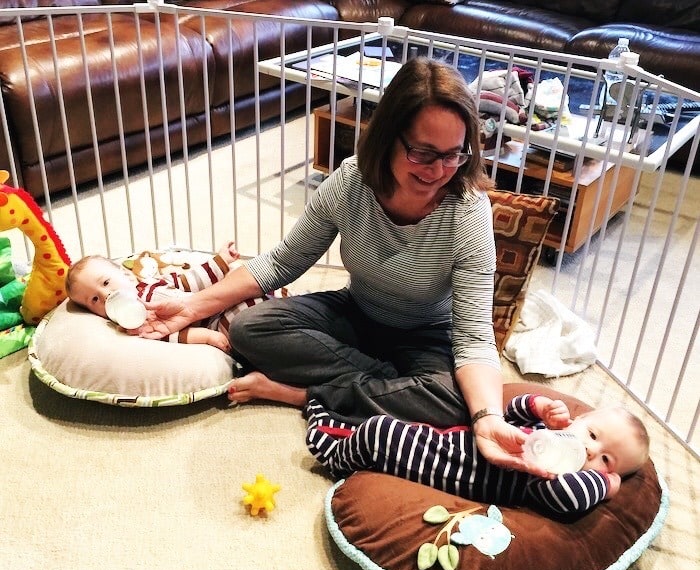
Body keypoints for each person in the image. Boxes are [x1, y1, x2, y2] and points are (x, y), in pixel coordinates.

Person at [136, 56, 541, 475]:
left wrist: (489, 418)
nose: (438, 170)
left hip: (426, 336)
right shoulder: (350, 183)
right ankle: (386, 392)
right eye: (422, 153)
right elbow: (281, 262)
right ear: (388, 138)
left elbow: (475, 337)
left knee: (455, 401)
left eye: (454, 154)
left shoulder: (467, 213)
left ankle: (302, 394)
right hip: (358, 314)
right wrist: (193, 306)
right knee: (250, 328)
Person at [305, 394, 650, 516]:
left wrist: (605, 485)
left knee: (379, 432)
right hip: (447, 440)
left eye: (605, 460)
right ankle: (332, 424)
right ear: (577, 421)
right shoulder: (550, 435)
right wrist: (537, 407)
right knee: (388, 424)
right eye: (592, 435)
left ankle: (335, 458)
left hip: (438, 466)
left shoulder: (553, 480)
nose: (591, 450)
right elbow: (505, 416)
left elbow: (566, 497)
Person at [65, 242, 241, 352]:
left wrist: (221, 261)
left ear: (126, 275)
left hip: (219, 301)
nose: (105, 295)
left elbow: (190, 281)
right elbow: (170, 337)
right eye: (94, 300)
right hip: (219, 325)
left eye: (105, 283)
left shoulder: (152, 282)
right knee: (240, 327)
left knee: (239, 281)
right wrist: (206, 336)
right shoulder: (132, 323)